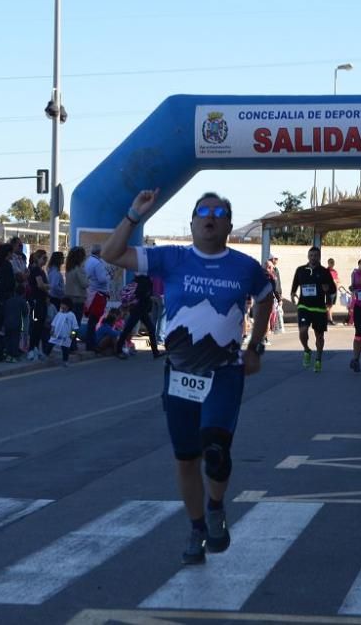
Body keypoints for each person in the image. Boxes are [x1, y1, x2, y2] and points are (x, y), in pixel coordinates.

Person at [103, 189, 273, 565]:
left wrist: (255, 346)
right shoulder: (172, 258)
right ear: (193, 222)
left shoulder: (245, 267)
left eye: (218, 212)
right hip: (180, 374)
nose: (210, 217)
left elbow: (266, 297)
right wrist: (133, 214)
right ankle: (197, 527)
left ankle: (215, 506)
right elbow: (110, 254)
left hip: (224, 373)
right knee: (186, 458)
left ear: (228, 224)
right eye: (203, 211)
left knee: (215, 450)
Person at [290, 247, 335, 373]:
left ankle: (318, 359)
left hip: (319, 308)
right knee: (303, 330)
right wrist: (293, 293)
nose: (313, 257)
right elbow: (295, 284)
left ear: (319, 257)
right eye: (311, 255)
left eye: (315, 255)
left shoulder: (325, 272)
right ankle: (307, 349)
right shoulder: (301, 270)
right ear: (308, 256)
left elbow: (333, 289)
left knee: (319, 336)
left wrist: (328, 289)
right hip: (304, 306)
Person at [115, 274, 160, 360]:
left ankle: (155, 352)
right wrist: (150, 298)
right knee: (128, 328)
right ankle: (119, 350)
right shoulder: (145, 281)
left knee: (149, 328)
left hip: (139, 308)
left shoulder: (137, 279)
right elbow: (142, 294)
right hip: (139, 308)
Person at [84, 244, 111, 351]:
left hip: (91, 293)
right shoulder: (98, 263)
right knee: (94, 321)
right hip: (98, 295)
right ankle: (91, 344)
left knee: (92, 320)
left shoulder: (88, 261)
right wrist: (109, 276)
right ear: (99, 252)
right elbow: (102, 279)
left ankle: (89, 343)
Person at [26, 250, 51, 361]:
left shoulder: (42, 271)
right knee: (36, 325)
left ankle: (36, 347)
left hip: (42, 300)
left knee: (40, 326)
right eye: (43, 258)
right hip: (36, 301)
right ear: (38, 258)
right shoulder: (36, 270)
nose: (45, 261)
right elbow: (40, 285)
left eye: (46, 258)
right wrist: (49, 286)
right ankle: (31, 349)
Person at [47, 299, 79, 367]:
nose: (61, 305)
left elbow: (75, 327)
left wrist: (72, 335)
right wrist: (52, 330)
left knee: (65, 349)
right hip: (56, 334)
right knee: (50, 344)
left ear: (67, 306)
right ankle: (46, 355)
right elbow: (54, 323)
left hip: (66, 336)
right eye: (61, 304)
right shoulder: (59, 314)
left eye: (63, 304)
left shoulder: (71, 315)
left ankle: (65, 361)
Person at [3, 284, 30, 362]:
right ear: (23, 293)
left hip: (7, 322)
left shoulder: (9, 300)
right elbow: (25, 312)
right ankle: (14, 356)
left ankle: (8, 355)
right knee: (15, 339)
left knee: (8, 338)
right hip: (16, 322)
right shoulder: (22, 301)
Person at [326, 258, 340, 324]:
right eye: (330, 262)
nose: (332, 264)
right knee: (329, 305)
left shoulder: (334, 271)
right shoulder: (326, 271)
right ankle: (329, 319)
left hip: (334, 290)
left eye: (333, 262)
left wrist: (336, 282)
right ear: (328, 263)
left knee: (331, 305)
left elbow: (338, 280)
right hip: (330, 290)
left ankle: (329, 319)